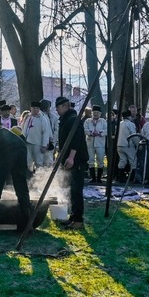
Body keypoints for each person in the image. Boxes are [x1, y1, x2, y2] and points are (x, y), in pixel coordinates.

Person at [56, 97, 90, 228]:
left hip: (77, 160)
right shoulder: (65, 120)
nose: (57, 110)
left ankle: (78, 220)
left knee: (76, 190)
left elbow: (76, 140)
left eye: (58, 107)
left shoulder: (73, 120)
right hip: (69, 159)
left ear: (65, 106)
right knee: (72, 190)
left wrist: (71, 157)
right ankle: (73, 216)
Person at [21, 101, 54, 172]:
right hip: (28, 142)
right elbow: (24, 129)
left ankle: (39, 177)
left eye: (37, 108)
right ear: (31, 108)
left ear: (39, 109)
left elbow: (46, 132)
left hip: (38, 144)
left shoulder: (43, 119)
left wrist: (44, 145)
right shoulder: (28, 117)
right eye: (33, 108)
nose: (35, 109)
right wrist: (23, 139)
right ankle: (29, 175)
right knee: (28, 161)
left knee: (39, 162)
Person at [84, 105, 108, 184]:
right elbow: (85, 130)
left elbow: (107, 131)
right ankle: (93, 178)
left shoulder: (103, 121)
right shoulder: (88, 121)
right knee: (91, 160)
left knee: (100, 160)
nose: (95, 114)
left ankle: (99, 178)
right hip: (90, 143)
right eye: (94, 112)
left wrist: (99, 133)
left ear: (100, 114)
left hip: (100, 144)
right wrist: (91, 133)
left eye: (97, 113)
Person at [114, 111, 138, 182]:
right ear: (129, 116)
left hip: (119, 145)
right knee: (133, 161)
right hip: (128, 145)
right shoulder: (130, 124)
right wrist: (138, 144)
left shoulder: (119, 124)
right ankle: (132, 178)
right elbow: (133, 135)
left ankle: (120, 177)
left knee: (122, 161)